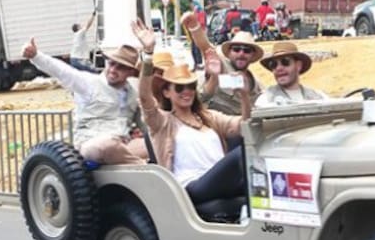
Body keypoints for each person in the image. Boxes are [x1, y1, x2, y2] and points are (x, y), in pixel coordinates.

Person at [131, 19, 249, 206]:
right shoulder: (163, 122)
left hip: (220, 184)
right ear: (166, 92)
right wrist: (148, 53)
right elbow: (145, 98)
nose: (186, 92)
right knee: (241, 155)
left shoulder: (208, 117)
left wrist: (244, 97)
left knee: (251, 152)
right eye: (179, 88)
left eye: (190, 86)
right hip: (191, 187)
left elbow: (245, 126)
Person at [22, 36, 145, 165]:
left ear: (131, 72)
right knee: (106, 145)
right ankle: (142, 167)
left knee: (155, 142)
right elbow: (62, 71)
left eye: (121, 67)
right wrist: (36, 56)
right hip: (92, 144)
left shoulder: (134, 93)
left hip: (124, 144)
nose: (113, 70)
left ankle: (146, 168)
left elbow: (148, 125)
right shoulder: (89, 83)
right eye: (111, 63)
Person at [181, 11, 262, 117]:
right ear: (229, 52)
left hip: (240, 124)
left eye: (247, 50)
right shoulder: (221, 64)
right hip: (212, 122)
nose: (241, 54)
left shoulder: (257, 85)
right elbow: (206, 47)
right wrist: (194, 27)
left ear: (253, 55)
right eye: (236, 49)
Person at [254, 41, 327, 107]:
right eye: (274, 64)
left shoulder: (320, 97)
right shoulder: (264, 101)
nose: (279, 68)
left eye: (285, 62)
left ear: (298, 65)